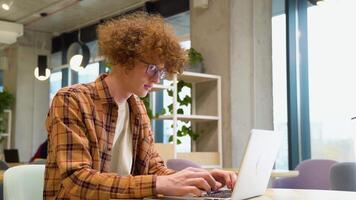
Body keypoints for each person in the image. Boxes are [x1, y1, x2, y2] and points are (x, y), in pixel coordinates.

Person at [44, 11, 236, 199]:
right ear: (123, 58)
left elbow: (153, 168)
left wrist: (199, 179)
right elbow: (77, 179)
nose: (156, 78)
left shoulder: (137, 108)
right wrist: (158, 184)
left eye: (161, 72)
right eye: (151, 67)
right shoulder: (72, 100)